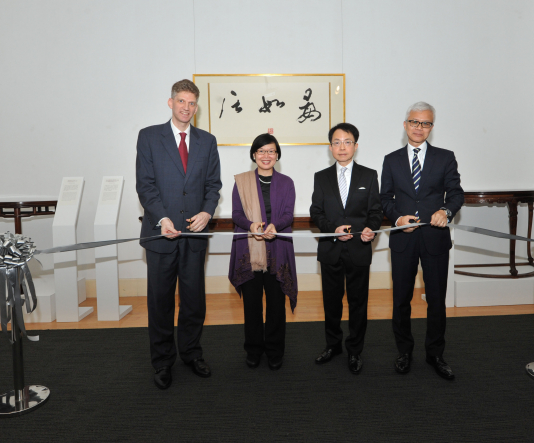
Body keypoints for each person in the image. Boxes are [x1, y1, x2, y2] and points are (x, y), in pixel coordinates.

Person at [136, 79, 221, 390]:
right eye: (181, 101)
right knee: (160, 302)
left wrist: (207, 212)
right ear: (170, 103)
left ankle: (191, 352)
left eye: (192, 103)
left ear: (197, 108)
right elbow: (145, 186)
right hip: (162, 234)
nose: (187, 107)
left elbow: (213, 187)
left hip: (195, 235)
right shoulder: (148, 137)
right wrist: (163, 218)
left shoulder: (207, 141)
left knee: (194, 301)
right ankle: (162, 361)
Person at [380, 102, 464, 380]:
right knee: (401, 299)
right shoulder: (391, 160)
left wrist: (446, 211)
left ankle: (435, 354)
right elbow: (385, 199)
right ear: (405, 125)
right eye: (414, 122)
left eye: (425, 123)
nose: (419, 128)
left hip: (435, 239)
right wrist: (397, 219)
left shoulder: (445, 157)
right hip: (403, 240)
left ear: (431, 127)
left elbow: (456, 194)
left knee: (436, 300)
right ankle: (404, 351)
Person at [310, 123, 383, 375]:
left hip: (359, 250)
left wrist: (371, 228)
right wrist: (332, 228)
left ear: (356, 145)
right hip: (331, 249)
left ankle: (355, 350)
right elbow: (315, 212)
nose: (342, 147)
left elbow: (376, 212)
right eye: (337, 142)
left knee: (358, 303)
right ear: (330, 147)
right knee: (331, 303)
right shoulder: (321, 177)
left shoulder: (369, 175)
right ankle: (333, 346)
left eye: (347, 141)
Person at [228, 134, 297, 371]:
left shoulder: (287, 182)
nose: (266, 156)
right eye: (261, 151)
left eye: (271, 151)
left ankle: (275, 351)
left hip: (277, 249)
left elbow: (289, 214)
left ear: (277, 155)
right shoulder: (241, 182)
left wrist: (275, 226)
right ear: (254, 155)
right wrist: (250, 226)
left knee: (277, 305)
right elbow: (236, 214)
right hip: (249, 249)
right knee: (252, 305)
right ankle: (254, 349)